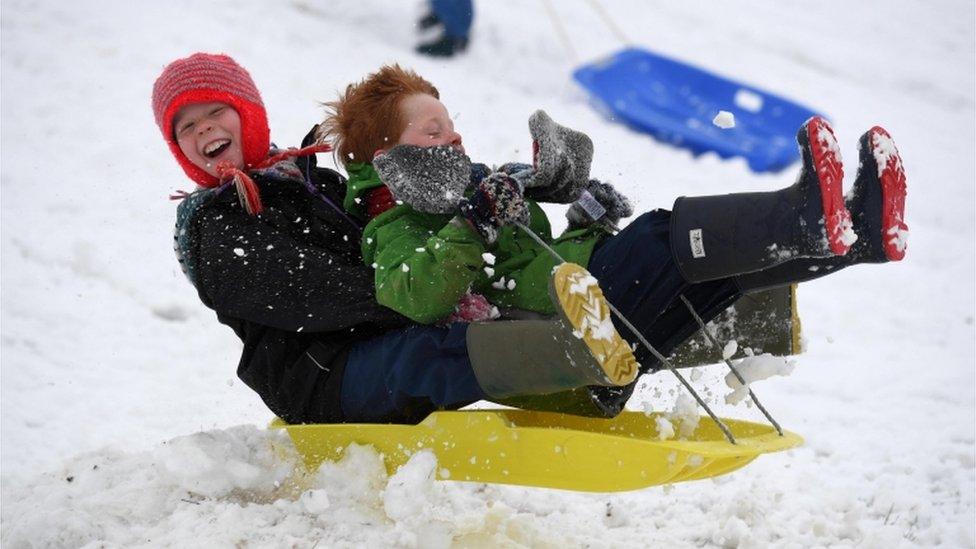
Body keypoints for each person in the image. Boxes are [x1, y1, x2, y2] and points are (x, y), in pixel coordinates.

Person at [155, 54, 908, 426]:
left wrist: (549, 199)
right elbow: (316, 292)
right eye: (186, 128)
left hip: (396, 317)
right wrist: (444, 291)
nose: (203, 133)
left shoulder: (311, 180)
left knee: (649, 264)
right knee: (434, 345)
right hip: (321, 376)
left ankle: (844, 232)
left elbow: (431, 210)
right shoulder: (217, 227)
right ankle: (807, 219)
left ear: (244, 113)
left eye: (212, 113)